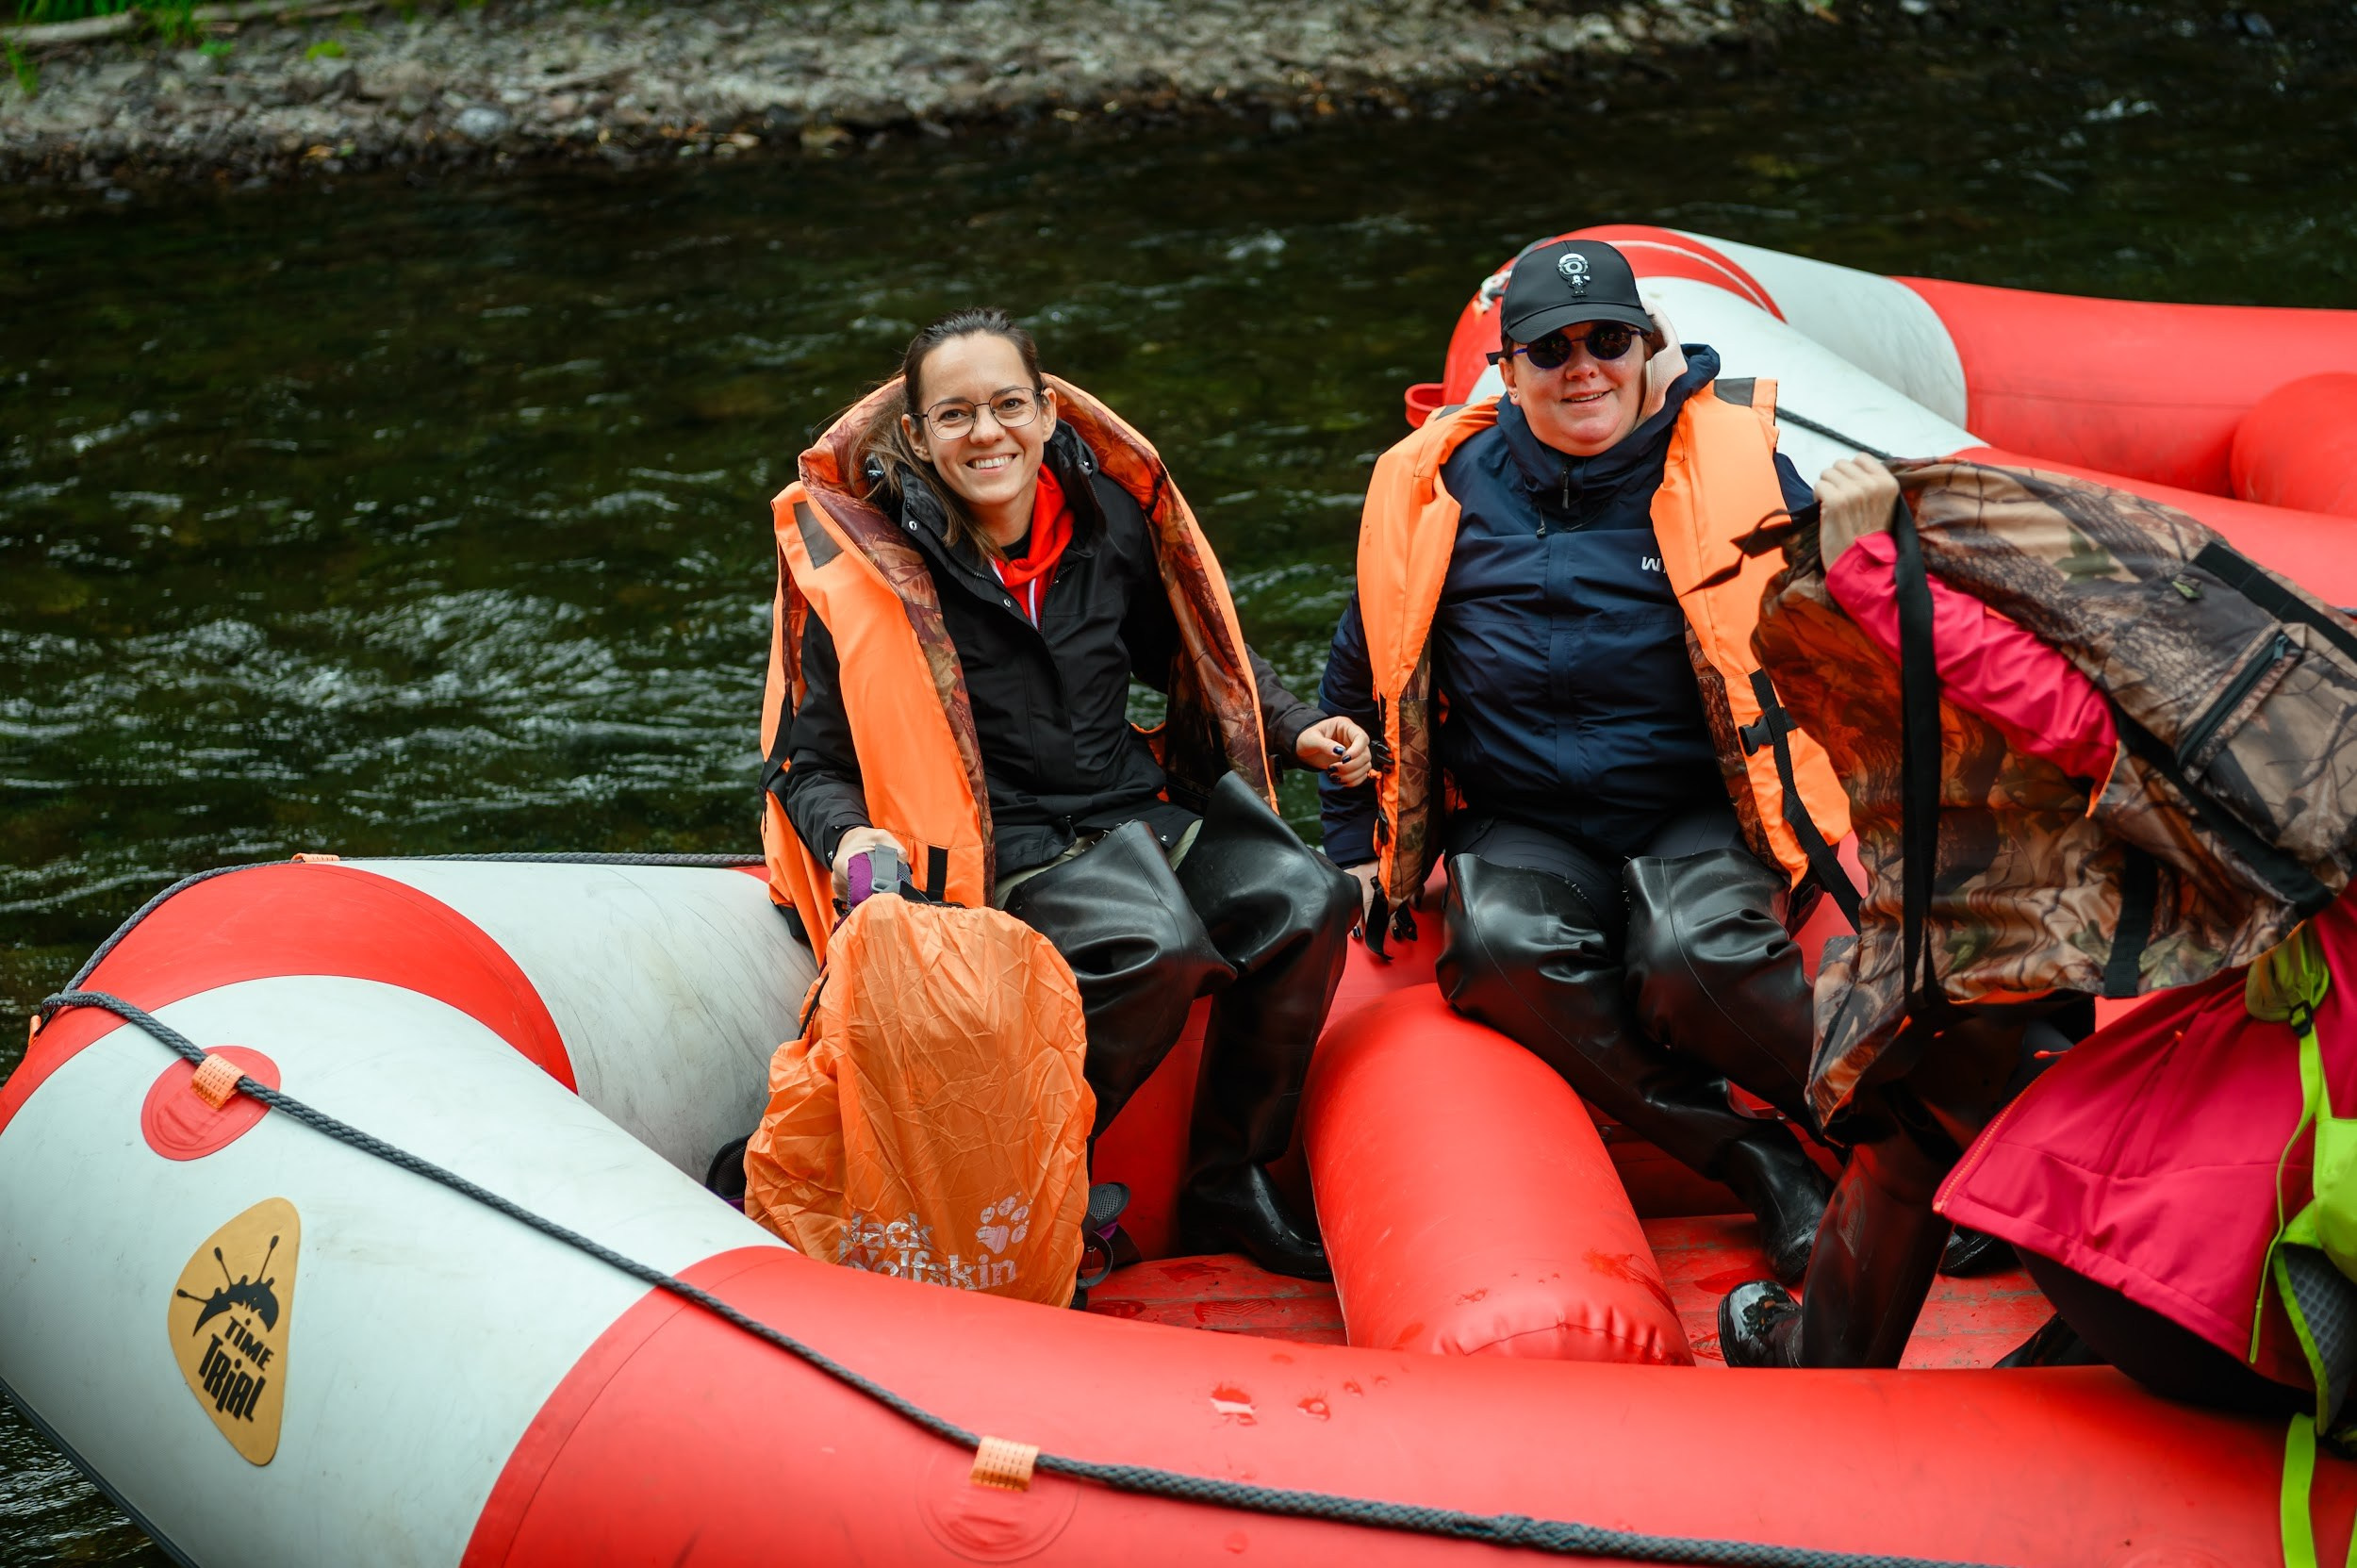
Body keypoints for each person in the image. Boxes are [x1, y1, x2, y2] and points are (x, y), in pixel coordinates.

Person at [760, 309, 1367, 1279]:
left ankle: (1228, 1179)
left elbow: (1194, 655)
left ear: (1047, 414)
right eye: (953, 415)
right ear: (916, 436)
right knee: (1155, 946)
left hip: (1129, 811)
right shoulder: (870, 571)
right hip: (1001, 847)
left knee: (1308, 897)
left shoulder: (1111, 522)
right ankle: (1036, 1182)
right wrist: (847, 837)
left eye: (1007, 405)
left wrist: (1293, 724)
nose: (985, 433)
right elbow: (803, 762)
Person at [1719, 452, 2356, 1367]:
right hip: (2280, 1250)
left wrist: (1869, 572)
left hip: (2266, 1302)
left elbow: (2082, 722)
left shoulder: (2332, 785)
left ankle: (1861, 1388)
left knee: (1929, 1063)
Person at [1317, 238, 1851, 1285]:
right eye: (1549, 350)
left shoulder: (1739, 470)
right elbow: (1363, 668)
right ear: (1506, 371)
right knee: (1501, 955)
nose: (1582, 369)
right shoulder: (1438, 491)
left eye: (1606, 340)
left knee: (1694, 955)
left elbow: (1852, 631)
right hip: (1524, 816)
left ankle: (1916, 1147)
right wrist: (1351, 846)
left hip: (1696, 801)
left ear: (1647, 349)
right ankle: (1756, 1160)